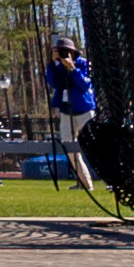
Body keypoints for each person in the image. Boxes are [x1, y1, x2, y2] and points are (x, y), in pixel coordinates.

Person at [43, 36, 96, 190]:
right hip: (66, 110)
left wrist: (72, 69)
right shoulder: (56, 66)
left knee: (94, 145)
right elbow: (52, 82)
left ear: (73, 52)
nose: (64, 55)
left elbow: (85, 85)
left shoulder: (83, 64)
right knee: (68, 145)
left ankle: (110, 180)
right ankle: (84, 182)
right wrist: (53, 64)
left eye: (66, 52)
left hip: (84, 109)